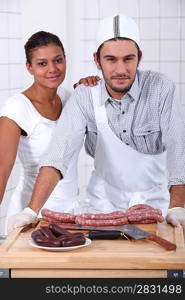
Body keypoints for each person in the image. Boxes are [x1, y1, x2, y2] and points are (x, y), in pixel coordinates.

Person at [9, 15, 185, 231]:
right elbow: (58, 153)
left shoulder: (161, 88)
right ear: (96, 59)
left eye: (128, 59)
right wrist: (31, 210)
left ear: (139, 57)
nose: (120, 69)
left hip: (154, 204)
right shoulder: (85, 96)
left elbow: (178, 146)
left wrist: (177, 206)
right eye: (111, 59)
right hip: (104, 206)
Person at [0, 31, 99, 233]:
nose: (53, 69)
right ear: (29, 67)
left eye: (58, 60)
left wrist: (92, 91)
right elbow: (2, 166)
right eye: (42, 63)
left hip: (69, 214)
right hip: (29, 216)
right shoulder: (17, 108)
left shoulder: (71, 97)